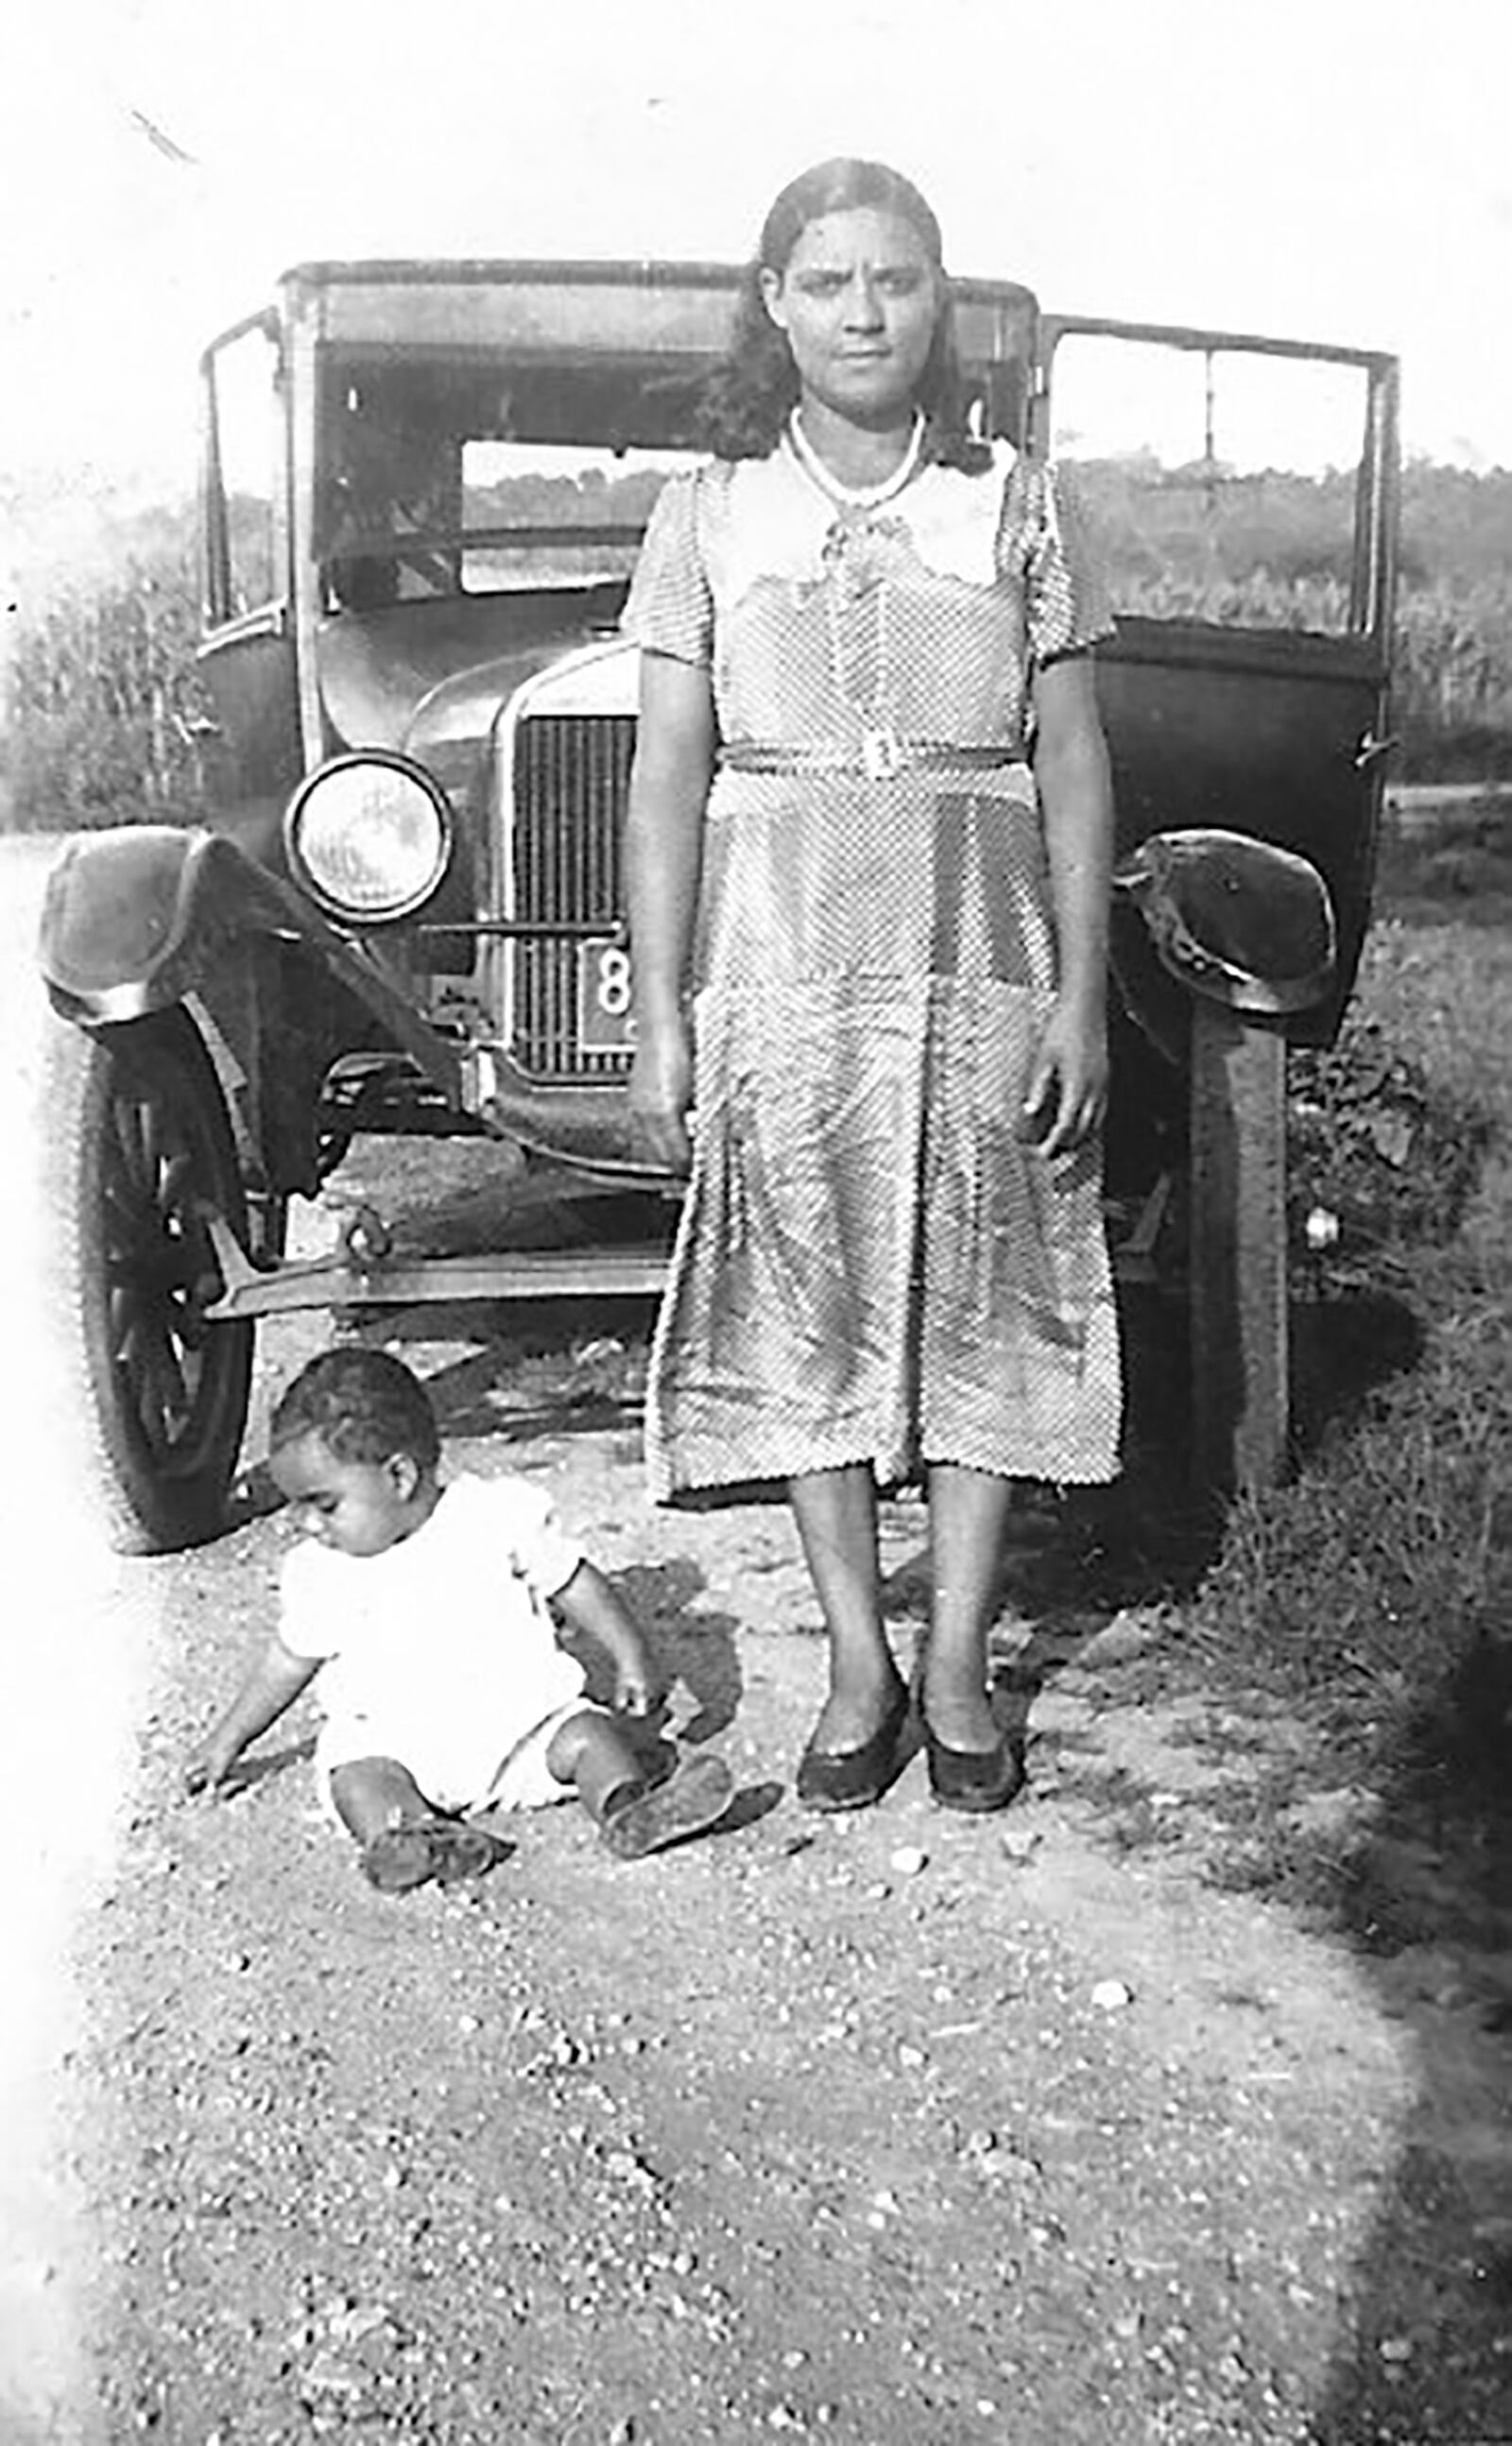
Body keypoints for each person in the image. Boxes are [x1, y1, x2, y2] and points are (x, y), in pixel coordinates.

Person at [621, 157, 1121, 1817]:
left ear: (939, 303)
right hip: (780, 974)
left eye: (894, 280)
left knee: (993, 1302)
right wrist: (661, 1020)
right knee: (806, 1306)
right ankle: (859, 1662)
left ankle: (964, 1662)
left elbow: (1077, 762)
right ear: (774, 301)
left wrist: (1082, 998)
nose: (862, 311)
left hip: (986, 964)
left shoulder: (1022, 501)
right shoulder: (704, 508)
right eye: (827, 280)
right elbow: (663, 773)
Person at [184, 1348, 734, 1890]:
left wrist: (631, 1656)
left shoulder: (493, 1517)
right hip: (397, 1744)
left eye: (324, 1505)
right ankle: (411, 1836)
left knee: (586, 1735)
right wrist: (228, 1740)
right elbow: (287, 1662)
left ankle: (626, 1807)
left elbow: (572, 1581)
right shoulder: (320, 1572)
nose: (307, 1525)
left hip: (518, 1729)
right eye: (297, 1508)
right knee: (356, 1773)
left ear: (399, 1476)